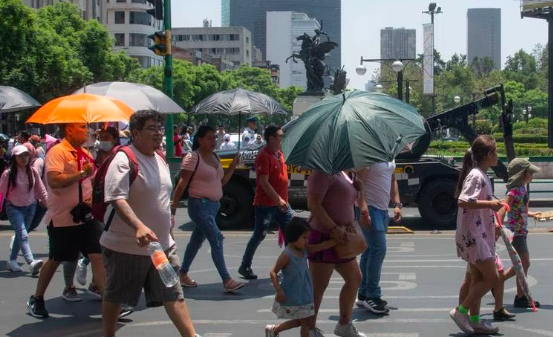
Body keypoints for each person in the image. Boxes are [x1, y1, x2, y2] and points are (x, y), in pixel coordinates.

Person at [100, 110, 199, 337]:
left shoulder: (160, 158)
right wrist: (139, 226)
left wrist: (168, 220)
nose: (158, 134)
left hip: (161, 247)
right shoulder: (124, 158)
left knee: (173, 291)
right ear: (135, 133)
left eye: (160, 128)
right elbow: (116, 197)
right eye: (152, 129)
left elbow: (161, 196)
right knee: (116, 296)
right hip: (127, 247)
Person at [27, 123, 105, 318]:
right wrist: (81, 174)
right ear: (69, 130)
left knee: (97, 255)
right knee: (55, 258)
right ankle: (37, 298)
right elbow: (54, 181)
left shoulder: (85, 154)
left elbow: (91, 180)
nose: (87, 131)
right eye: (82, 128)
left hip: (86, 216)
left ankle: (109, 302)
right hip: (63, 217)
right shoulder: (58, 152)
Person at [171, 125, 244, 293]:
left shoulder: (215, 158)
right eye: (210, 138)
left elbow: (222, 181)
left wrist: (233, 166)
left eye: (214, 138)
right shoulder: (193, 158)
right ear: (200, 139)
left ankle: (183, 274)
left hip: (213, 206)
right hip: (199, 206)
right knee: (216, 238)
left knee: (196, 241)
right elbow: (182, 184)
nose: (214, 141)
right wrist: (173, 204)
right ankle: (226, 280)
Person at [449, 135, 503, 335]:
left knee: (476, 277)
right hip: (474, 235)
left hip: (479, 232)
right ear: (489, 154)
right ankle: (461, 311)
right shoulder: (476, 175)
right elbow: (464, 201)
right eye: (496, 152)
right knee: (491, 277)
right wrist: (491, 204)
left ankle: (474, 319)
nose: (498, 156)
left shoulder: (480, 174)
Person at [307, 170, 366, 337]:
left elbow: (341, 200)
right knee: (318, 286)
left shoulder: (343, 173)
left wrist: (357, 189)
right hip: (325, 235)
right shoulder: (321, 173)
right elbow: (313, 204)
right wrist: (333, 229)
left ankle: (344, 325)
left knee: (354, 277)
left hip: (343, 236)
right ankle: (309, 329)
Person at [266, 218, 337, 337]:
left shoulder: (304, 250)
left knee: (303, 322)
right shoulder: (287, 255)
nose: (307, 241)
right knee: (304, 322)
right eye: (304, 238)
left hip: (305, 293)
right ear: (294, 236)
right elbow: (273, 272)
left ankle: (274, 330)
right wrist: (279, 290)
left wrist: (337, 240)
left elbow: (321, 246)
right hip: (294, 294)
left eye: (307, 237)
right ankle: (274, 330)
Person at [238, 126, 292, 280]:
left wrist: (282, 200)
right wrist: (278, 199)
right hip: (266, 204)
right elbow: (263, 182)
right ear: (271, 138)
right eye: (280, 136)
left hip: (283, 204)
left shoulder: (279, 154)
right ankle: (245, 265)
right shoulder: (264, 155)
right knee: (259, 235)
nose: (282, 139)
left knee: (291, 235)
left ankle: (289, 268)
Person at [76, 126, 121, 297]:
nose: (103, 140)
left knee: (106, 247)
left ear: (115, 139)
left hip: (112, 203)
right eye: (101, 136)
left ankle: (96, 281)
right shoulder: (92, 155)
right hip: (97, 205)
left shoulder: (118, 155)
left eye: (107, 137)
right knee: (103, 246)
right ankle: (93, 275)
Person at [355, 161, 402, 314]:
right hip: (370, 209)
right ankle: (372, 295)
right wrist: (363, 210)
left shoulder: (390, 153)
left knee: (369, 250)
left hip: (382, 210)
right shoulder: (368, 153)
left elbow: (393, 179)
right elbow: (358, 183)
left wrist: (397, 204)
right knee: (379, 249)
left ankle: (363, 293)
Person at [497, 157, 542, 309]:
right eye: (530, 172)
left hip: (522, 230)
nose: (532, 175)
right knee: (524, 263)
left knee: (522, 264)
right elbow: (505, 208)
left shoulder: (522, 189)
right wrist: (498, 226)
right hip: (515, 232)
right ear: (522, 174)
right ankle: (500, 280)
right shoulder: (514, 191)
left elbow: (521, 210)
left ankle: (520, 297)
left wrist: (533, 214)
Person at [1, 145, 48, 274]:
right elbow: (1, 194)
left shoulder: (32, 172)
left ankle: (12, 260)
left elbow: (41, 190)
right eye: (20, 156)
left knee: (21, 234)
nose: (24, 158)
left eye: (26, 155)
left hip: (30, 207)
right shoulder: (8, 174)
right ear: (14, 157)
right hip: (14, 207)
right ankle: (31, 261)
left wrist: (49, 205)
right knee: (23, 234)